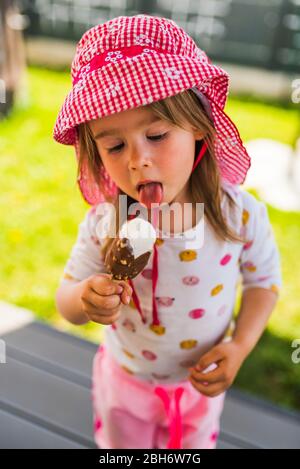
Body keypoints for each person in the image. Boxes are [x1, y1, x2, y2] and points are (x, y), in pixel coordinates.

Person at [53, 15, 282, 449]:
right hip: (126, 382)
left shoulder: (238, 215)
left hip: (201, 383)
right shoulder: (107, 222)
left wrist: (241, 346)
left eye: (156, 134)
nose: (138, 160)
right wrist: (86, 298)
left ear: (197, 125)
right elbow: (65, 300)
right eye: (115, 146)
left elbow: (264, 283)